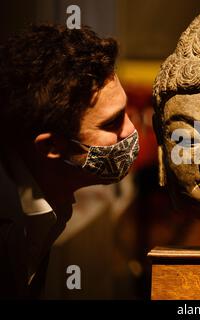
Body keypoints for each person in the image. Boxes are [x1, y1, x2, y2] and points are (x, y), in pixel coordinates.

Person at [0, 24, 139, 298]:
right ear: (51, 146)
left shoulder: (45, 202)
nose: (131, 131)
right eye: (112, 123)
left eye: (126, 112)